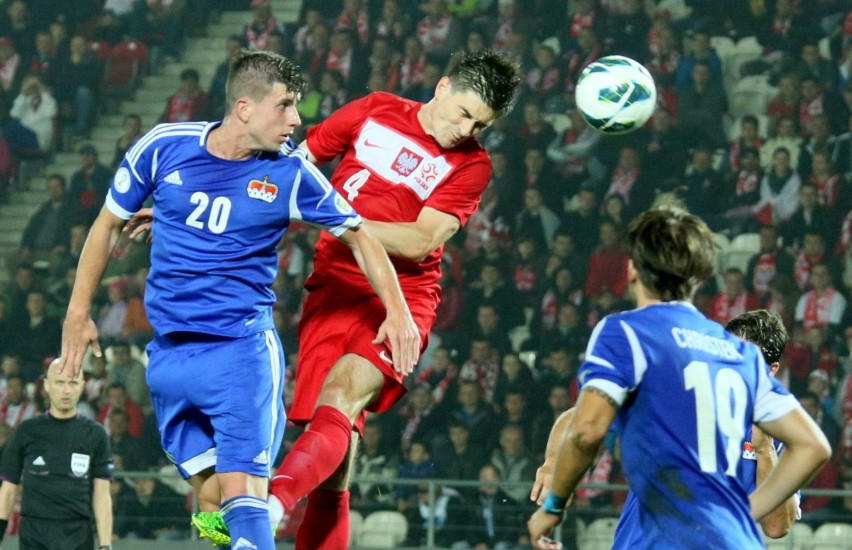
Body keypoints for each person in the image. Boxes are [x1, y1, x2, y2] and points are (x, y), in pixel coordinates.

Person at [59, 50, 420, 550]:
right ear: (245, 108)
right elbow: (106, 224)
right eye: (286, 105)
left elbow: (360, 236)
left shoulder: (290, 173)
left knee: (247, 508)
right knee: (211, 504)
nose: (297, 118)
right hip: (168, 359)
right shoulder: (164, 147)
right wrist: (77, 313)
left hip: (239, 355)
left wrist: (399, 311)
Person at [184, 49, 522, 548]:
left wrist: (338, 220)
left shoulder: (472, 165)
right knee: (333, 464)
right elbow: (294, 164)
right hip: (332, 288)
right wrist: (204, 202)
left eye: (481, 125)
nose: (467, 130)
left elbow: (421, 240)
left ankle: (265, 506)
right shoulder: (374, 109)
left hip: (398, 302)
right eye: (465, 113)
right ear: (444, 88)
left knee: (342, 395)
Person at [527, 207, 831, 549]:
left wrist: (554, 501)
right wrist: (739, 516)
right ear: (699, 275)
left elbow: (584, 429)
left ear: (632, 270)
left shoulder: (632, 335)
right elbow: (815, 445)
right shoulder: (737, 357)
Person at [0, 358, 112, 549]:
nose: (66, 389)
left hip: (78, 537)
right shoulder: (26, 431)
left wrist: (105, 545)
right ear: (46, 385)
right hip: (34, 537)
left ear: (82, 386)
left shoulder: (96, 434)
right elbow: (8, 490)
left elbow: (102, 494)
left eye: (73, 382)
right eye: (60, 382)